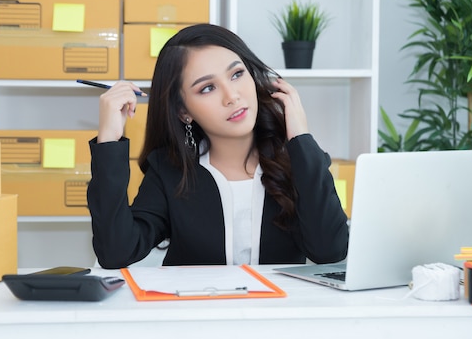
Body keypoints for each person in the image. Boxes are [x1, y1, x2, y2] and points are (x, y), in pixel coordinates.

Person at [87, 23, 349, 269]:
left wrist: (300, 136)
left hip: (278, 314)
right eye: (208, 88)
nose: (232, 96)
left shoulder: (298, 161)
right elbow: (116, 252)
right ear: (183, 112)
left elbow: (330, 251)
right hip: (198, 314)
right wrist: (109, 140)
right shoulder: (169, 170)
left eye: (237, 74)